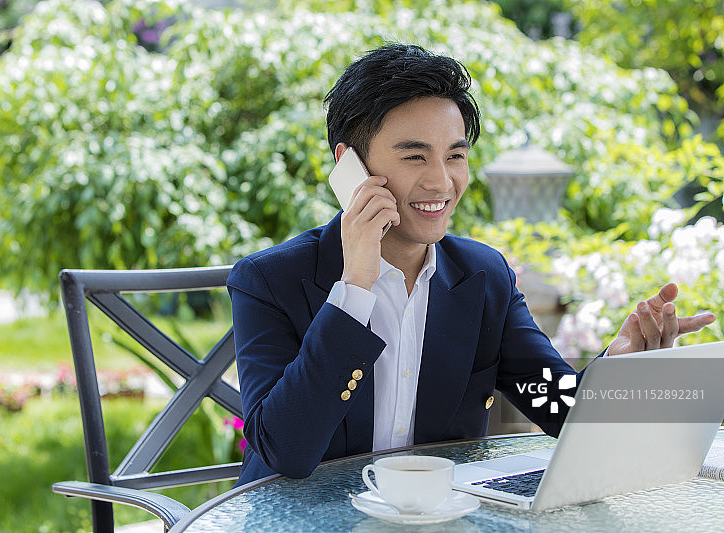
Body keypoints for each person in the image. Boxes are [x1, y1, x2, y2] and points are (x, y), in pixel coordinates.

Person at [226, 44, 716, 486]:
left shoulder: (484, 279)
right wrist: (355, 287)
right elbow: (286, 453)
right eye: (415, 156)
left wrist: (620, 366)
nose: (441, 182)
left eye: (455, 156)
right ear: (349, 165)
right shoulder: (269, 281)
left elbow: (559, 410)